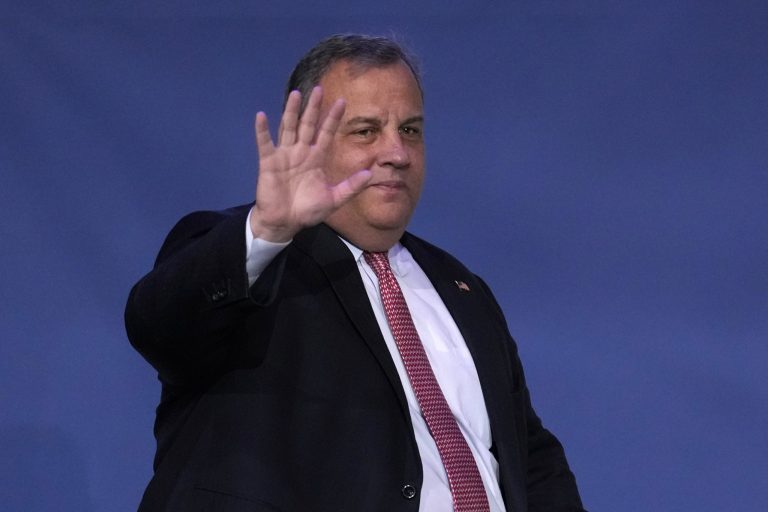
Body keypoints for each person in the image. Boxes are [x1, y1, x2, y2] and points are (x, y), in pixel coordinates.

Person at [126, 34, 585, 512]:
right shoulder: (249, 258)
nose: (397, 153)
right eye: (366, 131)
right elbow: (158, 328)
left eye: (410, 130)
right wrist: (267, 230)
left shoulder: (463, 289)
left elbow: (529, 456)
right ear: (304, 140)